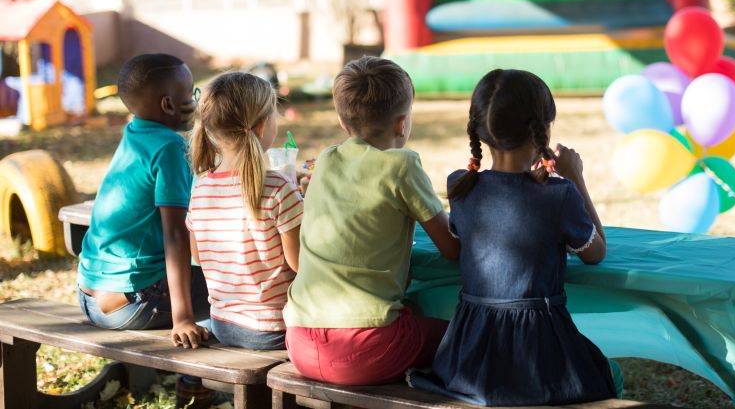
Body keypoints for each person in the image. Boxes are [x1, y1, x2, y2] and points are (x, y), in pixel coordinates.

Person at [407, 68, 621, 405]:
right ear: (543, 128)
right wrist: (575, 177)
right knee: (609, 373)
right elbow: (596, 252)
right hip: (539, 353)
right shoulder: (559, 194)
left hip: (468, 355)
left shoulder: (460, 186)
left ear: (479, 130)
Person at [284, 55, 460, 385]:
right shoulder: (402, 165)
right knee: (470, 333)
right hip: (366, 350)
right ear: (402, 123)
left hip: (299, 343)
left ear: (342, 121)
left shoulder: (325, 160)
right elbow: (451, 248)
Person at [77, 54, 208, 348]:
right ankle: (193, 379)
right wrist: (183, 318)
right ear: (168, 104)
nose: (195, 99)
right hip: (131, 304)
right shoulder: (170, 146)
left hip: (89, 295)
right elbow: (176, 236)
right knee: (230, 282)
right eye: (190, 92)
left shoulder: (136, 131)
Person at [187, 72, 303, 350]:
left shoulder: (200, 187)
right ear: (263, 126)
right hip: (276, 329)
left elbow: (197, 257)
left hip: (224, 324)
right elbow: (301, 265)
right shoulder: (278, 187)